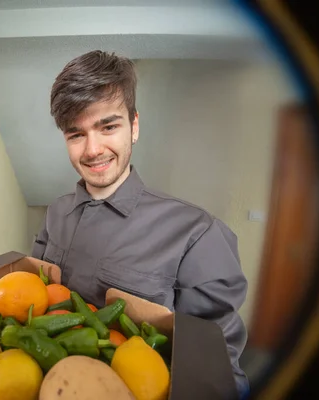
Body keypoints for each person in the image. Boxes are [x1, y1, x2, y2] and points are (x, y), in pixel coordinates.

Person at [31, 50, 249, 395]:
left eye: (108, 127)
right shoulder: (54, 212)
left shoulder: (197, 233)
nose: (92, 149)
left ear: (134, 126)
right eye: (76, 134)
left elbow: (217, 365)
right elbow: (36, 295)